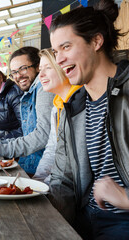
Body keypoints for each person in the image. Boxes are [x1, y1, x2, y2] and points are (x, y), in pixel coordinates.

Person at [49, 0, 129, 238]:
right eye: (56, 52)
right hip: (84, 219)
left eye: (66, 47)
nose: (59, 59)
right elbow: (63, 178)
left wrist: (125, 198)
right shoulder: (73, 108)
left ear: (96, 41)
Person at [0, 47, 55, 175]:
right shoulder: (29, 92)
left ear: (38, 66)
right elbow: (26, 132)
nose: (18, 76)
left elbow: (43, 135)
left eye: (22, 68)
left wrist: (2, 147)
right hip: (26, 165)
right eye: (14, 72)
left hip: (39, 171)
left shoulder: (43, 89)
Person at [32, 49, 81, 184]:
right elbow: (52, 148)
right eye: (40, 69)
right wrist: (38, 181)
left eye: (48, 68)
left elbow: (72, 163)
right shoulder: (57, 107)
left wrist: (47, 186)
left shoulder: (81, 104)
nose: (41, 75)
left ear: (65, 68)